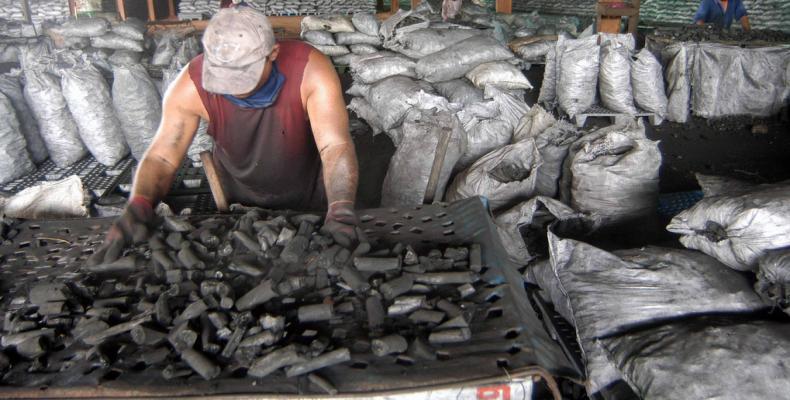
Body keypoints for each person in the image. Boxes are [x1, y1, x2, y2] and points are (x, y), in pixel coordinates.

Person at [89, 5, 361, 264]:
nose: (232, 88)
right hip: (238, 204)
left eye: (243, 75)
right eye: (223, 77)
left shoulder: (310, 70)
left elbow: (334, 146)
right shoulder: (190, 84)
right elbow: (162, 157)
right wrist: (139, 203)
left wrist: (341, 208)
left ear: (273, 53)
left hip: (309, 196)